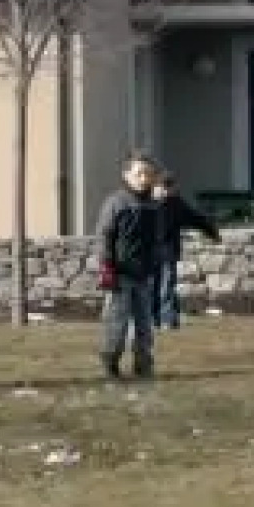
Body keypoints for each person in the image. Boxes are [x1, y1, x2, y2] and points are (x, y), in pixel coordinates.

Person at [95, 151, 163, 380]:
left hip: (143, 275)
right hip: (119, 274)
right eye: (139, 174)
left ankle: (143, 366)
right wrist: (106, 267)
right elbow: (104, 235)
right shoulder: (116, 203)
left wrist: (156, 262)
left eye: (148, 174)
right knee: (117, 323)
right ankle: (110, 364)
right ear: (126, 175)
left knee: (145, 325)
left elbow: (155, 239)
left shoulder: (153, 206)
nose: (144, 178)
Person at [151, 173, 221, 330]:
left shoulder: (176, 204)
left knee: (166, 287)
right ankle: (158, 320)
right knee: (154, 287)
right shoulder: (146, 204)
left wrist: (213, 233)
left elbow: (196, 219)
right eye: (162, 187)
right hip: (150, 252)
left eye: (168, 187)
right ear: (155, 187)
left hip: (168, 251)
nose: (165, 191)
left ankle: (167, 321)